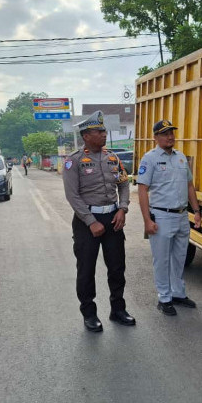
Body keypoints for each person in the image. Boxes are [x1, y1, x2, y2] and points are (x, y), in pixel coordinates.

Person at [62, 111, 135, 332]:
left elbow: (123, 183)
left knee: (117, 267)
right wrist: (91, 221)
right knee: (86, 269)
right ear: (86, 136)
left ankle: (118, 309)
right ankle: (89, 313)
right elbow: (72, 196)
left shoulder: (112, 157)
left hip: (113, 218)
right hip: (87, 222)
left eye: (104, 131)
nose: (104, 134)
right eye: (99, 131)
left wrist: (122, 209)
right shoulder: (73, 161)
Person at [137, 119, 201, 316]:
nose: (170, 136)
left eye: (171, 132)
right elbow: (142, 189)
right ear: (156, 137)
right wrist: (147, 220)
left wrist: (197, 211)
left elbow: (189, 186)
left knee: (179, 258)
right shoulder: (150, 159)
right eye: (165, 133)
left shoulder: (181, 158)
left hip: (182, 216)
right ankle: (164, 298)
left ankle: (178, 293)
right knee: (162, 259)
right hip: (162, 216)